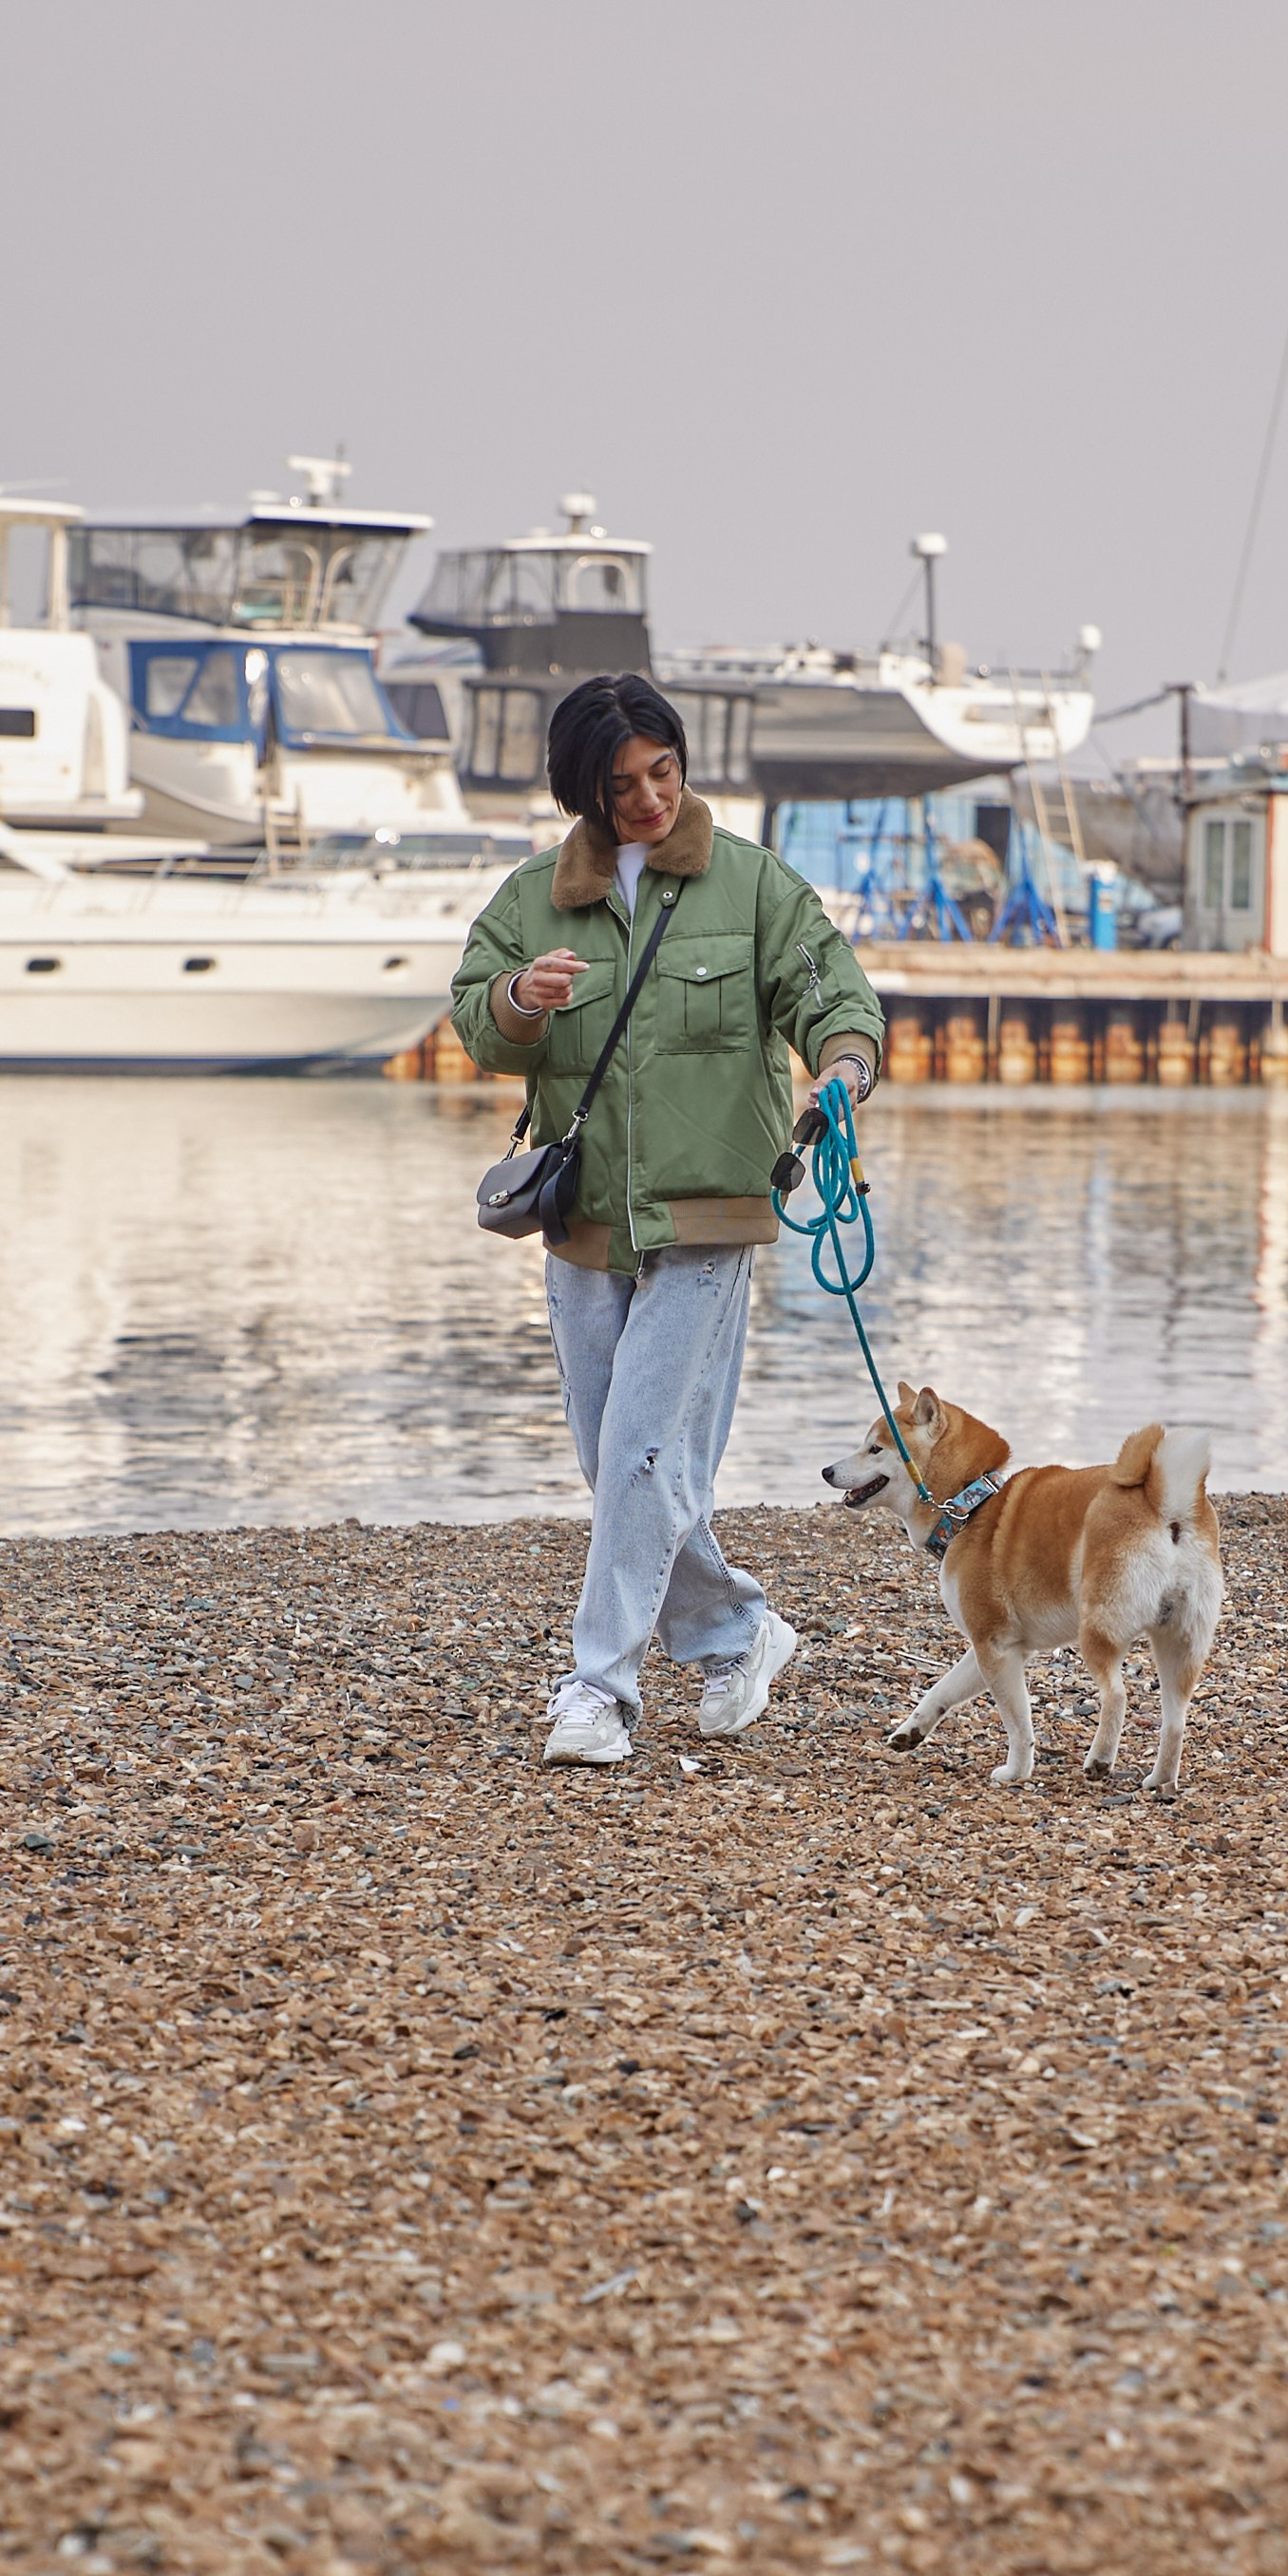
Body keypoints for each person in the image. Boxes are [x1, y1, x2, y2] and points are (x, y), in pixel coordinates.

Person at [447, 675, 885, 1767]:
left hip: (710, 1217)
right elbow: (475, 1018)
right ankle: (740, 1628)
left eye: (664, 771)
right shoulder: (529, 900)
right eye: (623, 781)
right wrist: (519, 1002)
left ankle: (599, 1689)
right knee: (617, 1460)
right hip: (584, 1220)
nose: (649, 797)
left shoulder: (751, 885)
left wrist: (841, 1070)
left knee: (643, 1447)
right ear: (583, 790)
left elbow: (832, 991)